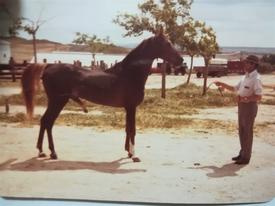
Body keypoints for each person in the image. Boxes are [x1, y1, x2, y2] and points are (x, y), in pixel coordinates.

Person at [214, 55, 262, 164]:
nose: (245, 64)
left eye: (247, 63)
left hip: (250, 107)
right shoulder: (245, 77)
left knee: (247, 132)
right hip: (241, 106)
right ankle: (242, 153)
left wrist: (244, 98)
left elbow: (259, 96)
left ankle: (246, 158)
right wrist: (222, 84)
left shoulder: (256, 79)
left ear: (253, 65)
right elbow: (234, 88)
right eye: (245, 62)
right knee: (242, 131)